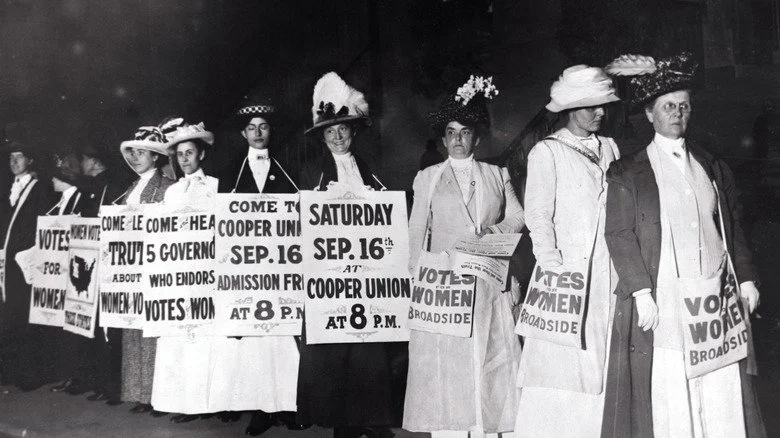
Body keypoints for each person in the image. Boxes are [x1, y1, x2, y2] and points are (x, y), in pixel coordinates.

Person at [601, 53, 765, 438]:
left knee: (720, 380)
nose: (677, 113)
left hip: (714, 298)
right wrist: (641, 291)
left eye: (683, 106)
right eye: (668, 106)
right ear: (649, 114)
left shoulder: (711, 166)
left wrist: (746, 279)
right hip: (668, 298)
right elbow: (619, 233)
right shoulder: (629, 171)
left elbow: (731, 226)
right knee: (675, 386)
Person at [405, 75, 524, 438]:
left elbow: (518, 217)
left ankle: (488, 428)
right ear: (443, 140)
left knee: (489, 353)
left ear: (476, 138)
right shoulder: (427, 177)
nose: (458, 139)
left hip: (487, 277)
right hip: (445, 284)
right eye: (451, 133)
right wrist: (415, 275)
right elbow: (417, 228)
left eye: (465, 132)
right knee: (449, 358)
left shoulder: (496, 174)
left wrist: (493, 232)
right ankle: (453, 430)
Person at [512, 66, 621, 437]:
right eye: (591, 106)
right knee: (561, 361)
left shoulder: (610, 147)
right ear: (570, 109)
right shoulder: (547, 151)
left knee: (600, 355)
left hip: (607, 270)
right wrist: (552, 267)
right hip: (566, 274)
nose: (600, 113)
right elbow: (538, 216)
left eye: (603, 106)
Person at [296, 72, 396, 438]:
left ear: (353, 131)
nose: (338, 137)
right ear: (322, 137)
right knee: (335, 347)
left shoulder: (372, 169)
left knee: (369, 346)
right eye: (330, 132)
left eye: (343, 129)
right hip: (330, 273)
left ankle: (370, 416)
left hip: (368, 272)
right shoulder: (310, 173)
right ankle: (342, 421)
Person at [215, 92, 301, 436]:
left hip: (282, 268)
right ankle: (261, 409)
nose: (258, 132)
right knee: (254, 341)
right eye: (251, 128)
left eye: (263, 126)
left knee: (284, 337)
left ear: (271, 131)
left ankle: (289, 406)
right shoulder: (229, 175)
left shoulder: (288, 171)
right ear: (243, 134)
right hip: (247, 271)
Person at [152, 121, 221, 423]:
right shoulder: (172, 192)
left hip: (205, 274)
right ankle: (181, 401)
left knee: (203, 338)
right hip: (178, 275)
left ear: (201, 155)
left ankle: (206, 401)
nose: (184, 159)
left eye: (189, 153)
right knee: (178, 337)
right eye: (179, 154)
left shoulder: (215, 186)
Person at [116, 123, 177, 416]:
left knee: (154, 332)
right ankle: (139, 392)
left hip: (155, 267)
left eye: (142, 152)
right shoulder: (129, 189)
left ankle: (156, 394)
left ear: (155, 156)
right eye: (132, 152)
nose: (135, 157)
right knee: (133, 329)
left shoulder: (166, 187)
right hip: (130, 269)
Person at [0, 141, 55, 392]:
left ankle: (30, 374)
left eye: (19, 157)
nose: (14, 162)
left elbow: (41, 224)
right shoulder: (6, 187)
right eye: (11, 157)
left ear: (30, 160)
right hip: (6, 261)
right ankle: (10, 371)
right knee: (9, 314)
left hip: (25, 261)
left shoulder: (39, 187)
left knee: (26, 315)